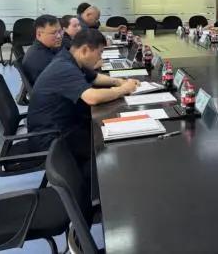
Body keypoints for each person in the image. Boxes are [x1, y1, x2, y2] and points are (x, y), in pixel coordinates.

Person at [27, 29, 138, 160]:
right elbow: (92, 98)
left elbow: (95, 77)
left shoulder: (70, 58)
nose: (100, 58)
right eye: (99, 53)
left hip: (64, 126)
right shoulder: (64, 67)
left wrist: (119, 82)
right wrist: (123, 89)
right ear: (85, 50)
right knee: (113, 149)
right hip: (52, 139)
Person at [22, 14, 62, 85]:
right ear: (39, 34)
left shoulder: (42, 49)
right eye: (53, 33)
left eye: (60, 31)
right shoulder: (42, 58)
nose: (59, 36)